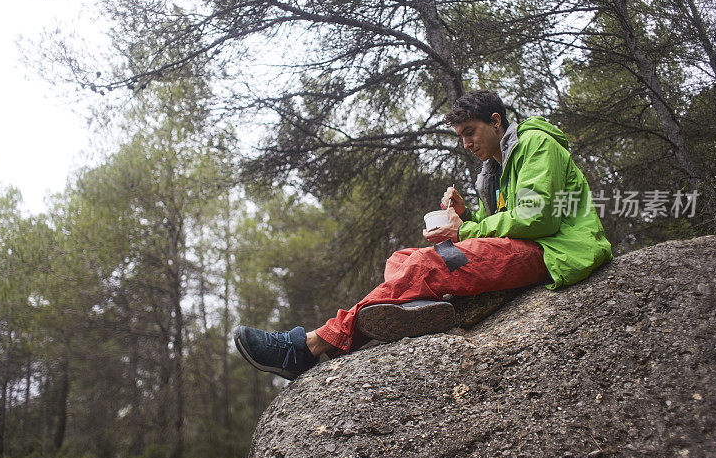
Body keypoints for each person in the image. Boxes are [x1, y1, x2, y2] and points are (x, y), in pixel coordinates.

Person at [234, 89, 613, 380]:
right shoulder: (495, 169)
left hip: (552, 249)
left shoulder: (536, 144)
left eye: (471, 132)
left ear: (496, 121)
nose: (466, 142)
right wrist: (468, 214)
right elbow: (505, 220)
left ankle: (310, 345)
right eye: (460, 136)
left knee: (423, 265)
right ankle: (436, 311)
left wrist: (464, 228)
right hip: (521, 246)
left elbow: (538, 219)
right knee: (400, 259)